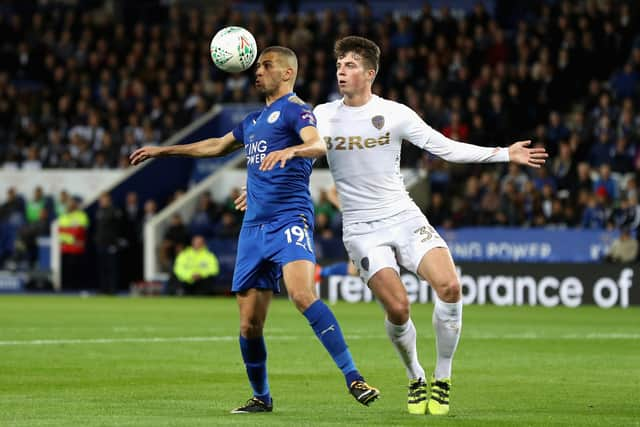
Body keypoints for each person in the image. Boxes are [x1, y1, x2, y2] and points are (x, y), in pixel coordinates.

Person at [261, 36, 547, 416]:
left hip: (403, 215)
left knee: (450, 285)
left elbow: (443, 147)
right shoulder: (324, 115)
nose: (340, 72)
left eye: (348, 66)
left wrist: (503, 154)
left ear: (369, 73)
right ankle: (415, 375)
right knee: (398, 309)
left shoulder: (396, 114)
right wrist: (262, 191)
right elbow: (302, 159)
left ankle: (442, 377)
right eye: (338, 66)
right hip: (362, 228)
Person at [130, 46, 379, 413]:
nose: (257, 71)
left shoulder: (298, 111)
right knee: (249, 326)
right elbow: (217, 145)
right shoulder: (252, 121)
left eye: (267, 65)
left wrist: (292, 152)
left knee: (301, 295)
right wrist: (164, 151)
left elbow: (316, 143)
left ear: (287, 73)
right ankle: (261, 397)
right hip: (253, 229)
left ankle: (353, 376)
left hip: (289, 220)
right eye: (258, 66)